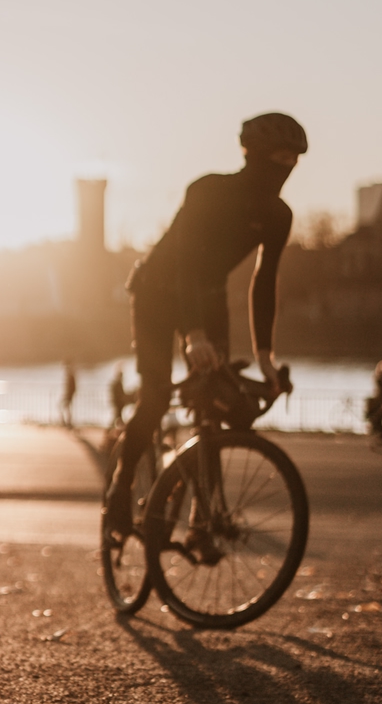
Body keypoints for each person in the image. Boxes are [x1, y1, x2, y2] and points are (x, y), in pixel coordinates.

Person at [104, 112, 307, 538]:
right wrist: (193, 335)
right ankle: (119, 488)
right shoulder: (208, 191)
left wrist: (266, 358)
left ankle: (205, 512)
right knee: (156, 397)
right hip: (159, 291)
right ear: (251, 155)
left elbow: (263, 282)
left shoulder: (278, 216)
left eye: (292, 160)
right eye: (277, 157)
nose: (284, 168)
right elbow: (184, 265)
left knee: (218, 397)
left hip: (209, 296)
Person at [60, 361, 77, 428]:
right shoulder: (69, 375)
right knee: (67, 408)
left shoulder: (70, 376)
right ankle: (67, 422)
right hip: (67, 395)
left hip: (68, 395)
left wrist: (70, 394)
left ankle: (66, 422)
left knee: (63, 407)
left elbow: (72, 387)